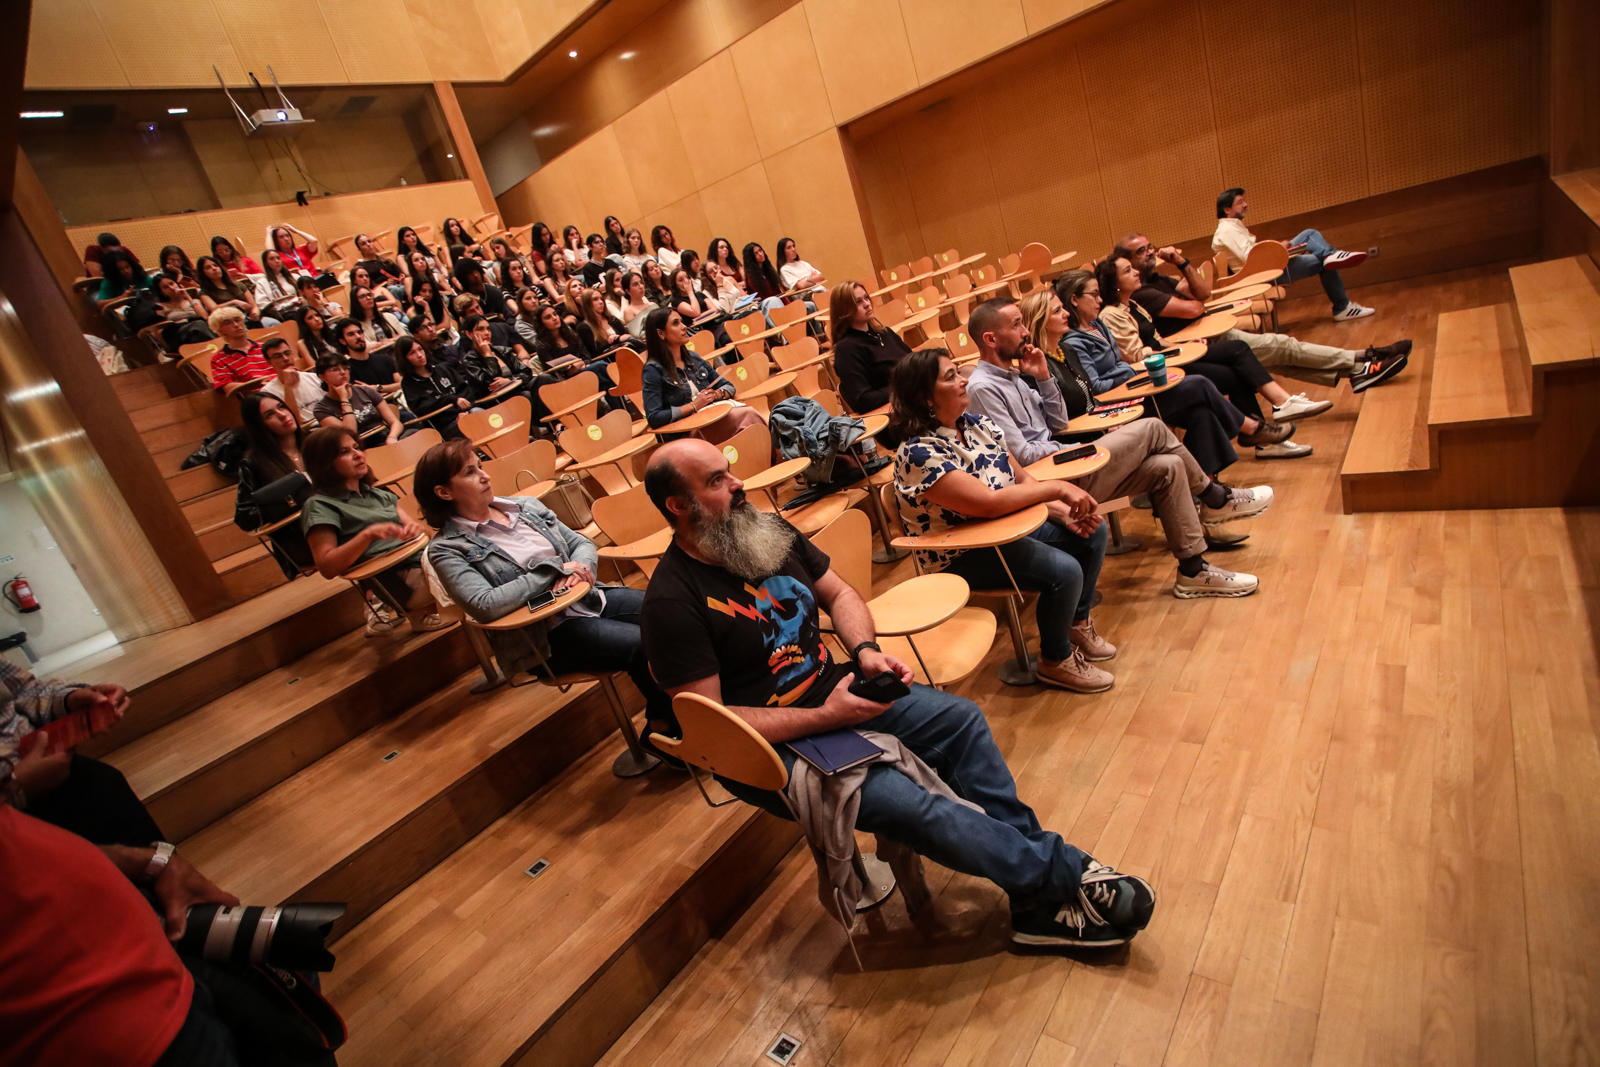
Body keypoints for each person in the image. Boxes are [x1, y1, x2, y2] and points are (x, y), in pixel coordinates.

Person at [640, 438, 1156, 947]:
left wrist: (864, 650)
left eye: (729, 470)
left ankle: (1034, 892)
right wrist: (827, 717)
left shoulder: (764, 530)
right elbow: (712, 726)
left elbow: (840, 592)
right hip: (771, 750)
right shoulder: (671, 601)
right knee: (910, 803)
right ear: (679, 506)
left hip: (832, 692)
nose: (738, 484)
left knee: (962, 722)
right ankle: (1061, 877)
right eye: (716, 481)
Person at [1006, 301, 1275, 594]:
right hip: (1062, 476)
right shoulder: (995, 383)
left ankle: (1193, 570)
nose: (1025, 332)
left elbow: (1061, 419)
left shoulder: (1036, 365)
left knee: (1169, 465)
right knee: (1156, 425)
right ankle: (1215, 497)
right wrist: (1088, 439)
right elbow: (1028, 452)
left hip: (1080, 451)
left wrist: (1047, 378)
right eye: (1017, 325)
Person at [886, 350, 1115, 690]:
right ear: (924, 397)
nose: (964, 379)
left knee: (1092, 531)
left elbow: (1021, 481)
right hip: (958, 551)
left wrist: (1060, 511)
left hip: (1007, 529)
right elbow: (989, 505)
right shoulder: (918, 453)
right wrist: (1058, 490)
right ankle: (1056, 659)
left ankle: (1076, 622)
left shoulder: (978, 425)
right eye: (950, 377)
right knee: (1064, 571)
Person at [419, 440, 674, 726]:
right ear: (443, 492)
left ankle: (705, 708)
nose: (484, 475)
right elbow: (484, 604)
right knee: (642, 645)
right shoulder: (445, 549)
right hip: (545, 637)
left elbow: (581, 544)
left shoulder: (524, 506)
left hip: (588, 598)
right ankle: (666, 729)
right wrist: (553, 569)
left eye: (480, 465)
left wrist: (580, 570)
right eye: (469, 472)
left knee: (672, 614)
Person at [1114, 234, 1412, 394]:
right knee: (1284, 348)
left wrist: (1181, 262)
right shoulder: (1141, 292)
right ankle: (1361, 360)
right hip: (1202, 344)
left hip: (1209, 332)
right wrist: (1197, 301)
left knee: (1282, 357)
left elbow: (1203, 294)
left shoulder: (1157, 280)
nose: (1151, 253)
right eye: (1141, 252)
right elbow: (1195, 306)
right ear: (1124, 262)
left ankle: (1359, 366)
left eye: (1150, 246)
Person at [1091, 254, 1328, 454]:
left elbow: (1155, 339)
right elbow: (1134, 355)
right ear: (1115, 284)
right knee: (1234, 365)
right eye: (1128, 271)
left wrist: (1183, 344)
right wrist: (1174, 351)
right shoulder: (1112, 314)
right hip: (1161, 370)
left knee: (1237, 353)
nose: (1135, 272)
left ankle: (1270, 422)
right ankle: (1266, 426)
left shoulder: (1133, 305)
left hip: (1172, 357)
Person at [1047, 284, 1265, 476]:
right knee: (1199, 383)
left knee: (1202, 413)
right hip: (1117, 405)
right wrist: (1128, 372)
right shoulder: (1073, 342)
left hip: (1130, 390)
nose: (1100, 299)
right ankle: (1249, 427)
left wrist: (1125, 370)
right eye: (1094, 294)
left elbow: (1119, 363)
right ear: (1075, 299)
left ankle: (1203, 491)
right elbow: (1096, 386)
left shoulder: (1096, 326)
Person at [301, 425, 444, 632]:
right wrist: (366, 536)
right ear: (325, 463)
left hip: (426, 561)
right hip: (399, 581)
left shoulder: (381, 495)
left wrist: (416, 530)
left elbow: (425, 533)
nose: (358, 455)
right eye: (345, 452)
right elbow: (327, 567)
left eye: (357, 447)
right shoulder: (319, 505)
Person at [0, 661, 150, 847]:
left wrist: (67, 699)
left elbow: (22, 688)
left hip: (51, 767)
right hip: (12, 820)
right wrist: (19, 787)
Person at [1213, 187, 1371, 320]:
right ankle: (1342, 307)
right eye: (1240, 203)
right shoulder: (1227, 230)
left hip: (1264, 267)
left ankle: (1331, 255)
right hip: (1260, 276)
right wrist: (1277, 249)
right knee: (1322, 263)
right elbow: (1250, 258)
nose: (1246, 204)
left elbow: (1252, 254)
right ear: (1227, 209)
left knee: (1309, 234)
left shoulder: (1232, 226)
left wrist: (1279, 249)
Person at [640, 307, 764, 442]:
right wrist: (694, 405)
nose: (684, 327)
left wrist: (717, 395)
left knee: (748, 418)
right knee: (748, 416)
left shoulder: (693, 358)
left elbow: (728, 386)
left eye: (682, 322)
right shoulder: (653, 370)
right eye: (676, 323)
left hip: (712, 417)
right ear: (661, 333)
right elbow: (654, 417)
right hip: (688, 432)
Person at [234, 391, 316, 579]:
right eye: (269, 415)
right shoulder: (254, 463)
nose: (282, 415)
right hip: (302, 536)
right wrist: (286, 505)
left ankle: (375, 597)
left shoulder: (315, 442)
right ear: (259, 426)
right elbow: (244, 517)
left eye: (281, 407)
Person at [458, 313, 561, 420]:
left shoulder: (502, 351)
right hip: (497, 400)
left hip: (517, 387)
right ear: (469, 334)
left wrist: (510, 380)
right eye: (480, 329)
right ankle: (555, 423)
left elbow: (526, 372)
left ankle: (568, 410)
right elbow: (491, 383)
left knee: (544, 378)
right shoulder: (469, 361)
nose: (486, 333)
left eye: (488, 329)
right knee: (526, 395)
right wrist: (488, 356)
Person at [831, 279, 913, 414]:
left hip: (914, 399)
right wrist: (904, 387)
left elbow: (913, 362)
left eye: (866, 298)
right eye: (858, 302)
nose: (867, 304)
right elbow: (862, 400)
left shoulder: (885, 332)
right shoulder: (846, 349)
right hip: (895, 415)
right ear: (844, 310)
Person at [312, 354, 403, 443]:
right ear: (322, 377)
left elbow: (395, 422)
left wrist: (392, 437)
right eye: (335, 369)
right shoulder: (321, 409)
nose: (343, 372)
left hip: (386, 438)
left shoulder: (365, 391)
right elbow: (349, 434)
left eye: (345, 368)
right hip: (360, 448)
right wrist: (344, 398)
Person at [398, 336, 472, 438]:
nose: (419, 355)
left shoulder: (442, 369)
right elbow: (423, 408)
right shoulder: (408, 383)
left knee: (481, 414)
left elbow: (465, 390)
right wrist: (450, 399)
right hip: (445, 425)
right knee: (472, 424)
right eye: (412, 353)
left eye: (420, 349)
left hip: (466, 413)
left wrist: (464, 412)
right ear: (404, 359)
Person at [256, 336, 323, 425]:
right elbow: (293, 422)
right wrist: (288, 386)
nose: (285, 358)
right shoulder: (268, 392)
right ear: (269, 362)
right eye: (278, 356)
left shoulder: (314, 377)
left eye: (287, 353)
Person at [206, 307, 268, 393]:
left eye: (237, 320)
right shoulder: (218, 359)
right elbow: (227, 386)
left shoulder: (265, 347)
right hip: (258, 398)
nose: (236, 325)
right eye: (228, 323)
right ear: (220, 330)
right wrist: (257, 384)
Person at [332, 315, 400, 395]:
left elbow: (401, 384)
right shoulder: (346, 370)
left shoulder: (385, 359)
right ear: (342, 341)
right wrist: (390, 388)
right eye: (351, 334)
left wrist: (377, 388)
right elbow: (363, 395)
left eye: (359, 332)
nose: (358, 336)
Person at [195, 255, 268, 326]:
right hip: (230, 323)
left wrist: (255, 313)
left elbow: (254, 306)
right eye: (208, 267)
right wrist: (233, 302)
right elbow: (214, 309)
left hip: (249, 317)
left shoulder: (238, 284)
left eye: (215, 265)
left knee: (273, 323)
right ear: (203, 273)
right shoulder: (204, 292)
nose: (214, 268)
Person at [353, 233, 405, 301]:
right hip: (379, 292)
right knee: (394, 289)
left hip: (398, 286)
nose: (368, 244)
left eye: (369, 241)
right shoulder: (360, 266)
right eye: (363, 244)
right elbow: (366, 286)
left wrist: (401, 278)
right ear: (359, 249)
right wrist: (386, 284)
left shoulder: (386, 261)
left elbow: (400, 274)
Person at [294, 303, 336, 367]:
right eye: (310, 318)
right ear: (304, 323)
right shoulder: (302, 343)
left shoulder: (331, 334)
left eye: (317, 315)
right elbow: (314, 366)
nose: (316, 319)